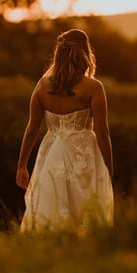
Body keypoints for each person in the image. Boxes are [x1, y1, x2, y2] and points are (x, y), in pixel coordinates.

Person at [16, 28, 114, 231]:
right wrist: (108, 168)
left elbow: (32, 129)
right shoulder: (94, 88)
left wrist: (22, 165)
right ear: (86, 54)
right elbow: (103, 132)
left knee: (51, 211)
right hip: (84, 157)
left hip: (50, 155)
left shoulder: (42, 87)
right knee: (85, 210)